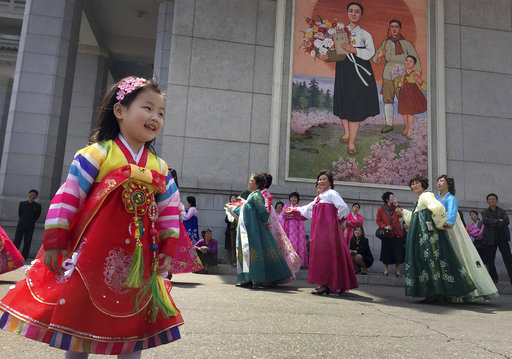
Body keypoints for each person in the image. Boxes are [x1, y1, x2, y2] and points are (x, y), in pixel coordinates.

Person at [0, 77, 183, 357]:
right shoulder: (97, 154)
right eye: (147, 108)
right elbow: (69, 196)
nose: (155, 118)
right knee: (78, 314)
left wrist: (168, 250)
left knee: (135, 318)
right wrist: (56, 239)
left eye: (160, 113)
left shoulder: (160, 167)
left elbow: (169, 210)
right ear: (120, 111)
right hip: (92, 256)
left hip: (139, 257)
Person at [399, 174, 476, 303]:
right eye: (412, 184)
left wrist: (443, 224)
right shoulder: (426, 198)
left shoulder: (427, 196)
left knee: (432, 261)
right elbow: (418, 217)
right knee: (436, 261)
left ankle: (435, 292)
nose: (414, 185)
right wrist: (403, 213)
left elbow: (440, 209)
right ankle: (437, 292)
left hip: (435, 233)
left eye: (417, 183)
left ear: (423, 184)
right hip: (430, 233)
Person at [317, 2, 379, 155]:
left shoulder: (365, 34)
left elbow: (371, 52)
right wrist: (326, 58)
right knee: (343, 103)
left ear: (361, 15)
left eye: (357, 11)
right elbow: (339, 54)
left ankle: (352, 142)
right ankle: (346, 132)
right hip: (344, 72)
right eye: (351, 11)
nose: (353, 14)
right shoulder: (340, 32)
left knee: (354, 108)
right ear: (347, 13)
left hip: (359, 73)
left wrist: (354, 50)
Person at [284, 170, 358, 295]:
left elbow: (344, 208)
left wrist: (336, 221)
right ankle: (326, 284)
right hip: (319, 234)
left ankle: (328, 285)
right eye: (319, 179)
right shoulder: (319, 198)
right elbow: (307, 209)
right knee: (323, 258)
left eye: (324, 179)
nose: (321, 182)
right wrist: (293, 210)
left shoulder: (331, 193)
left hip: (329, 233)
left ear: (330, 182)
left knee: (329, 257)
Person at [436, 175, 498, 302]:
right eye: (438, 180)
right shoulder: (436, 199)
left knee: (457, 256)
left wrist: (448, 223)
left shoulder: (451, 198)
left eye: (442, 181)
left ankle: (463, 290)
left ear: (449, 184)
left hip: (450, 230)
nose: (439, 183)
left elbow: (452, 213)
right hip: (438, 230)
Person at [225, 173, 292, 287]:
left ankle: (252, 278)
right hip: (249, 230)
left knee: (252, 253)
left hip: (253, 231)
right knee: (250, 253)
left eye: (251, 180)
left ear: (257, 184)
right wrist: (232, 208)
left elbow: (262, 211)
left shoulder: (256, 196)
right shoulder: (252, 196)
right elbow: (247, 211)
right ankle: (250, 278)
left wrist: (265, 221)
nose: (249, 182)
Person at [372, 19, 421, 134]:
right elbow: (375, 59)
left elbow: (415, 58)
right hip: (388, 74)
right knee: (388, 99)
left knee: (405, 100)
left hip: (402, 74)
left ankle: (408, 127)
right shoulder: (386, 43)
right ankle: (389, 124)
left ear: (399, 29)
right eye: (391, 27)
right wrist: (380, 55)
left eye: (396, 27)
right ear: (389, 29)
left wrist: (417, 71)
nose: (394, 29)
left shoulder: (406, 44)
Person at [261, 173, 301, 280]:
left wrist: (265, 222)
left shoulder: (265, 195)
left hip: (271, 225)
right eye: (291, 198)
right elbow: (285, 215)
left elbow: (267, 210)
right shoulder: (262, 194)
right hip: (285, 226)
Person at [167, 168, 203, 276]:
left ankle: (168, 269)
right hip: (169, 219)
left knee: (174, 245)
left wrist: (181, 210)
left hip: (171, 220)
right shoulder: (170, 188)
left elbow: (185, 216)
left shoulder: (173, 189)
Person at [481, 193, 512, 284]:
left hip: (502, 238)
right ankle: (494, 279)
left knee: (508, 259)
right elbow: (486, 221)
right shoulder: (484, 212)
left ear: (497, 201)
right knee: (490, 260)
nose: (492, 200)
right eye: (490, 199)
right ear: (487, 201)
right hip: (490, 239)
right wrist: (498, 220)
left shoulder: (502, 211)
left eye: (494, 199)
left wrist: (493, 222)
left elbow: (506, 221)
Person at [395, 55, 427, 139]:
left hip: (412, 96)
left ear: (414, 64)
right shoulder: (401, 73)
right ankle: (407, 128)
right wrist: (398, 84)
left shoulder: (415, 74)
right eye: (407, 60)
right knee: (404, 113)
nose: (408, 63)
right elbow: (397, 81)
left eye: (411, 61)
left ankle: (410, 131)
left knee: (410, 113)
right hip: (403, 95)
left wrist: (419, 80)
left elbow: (423, 85)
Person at [376, 192, 405, 277]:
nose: (394, 198)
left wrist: (398, 205)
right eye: (392, 197)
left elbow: (401, 214)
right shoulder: (381, 209)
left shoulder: (396, 207)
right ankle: (386, 270)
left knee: (398, 252)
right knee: (386, 252)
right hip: (387, 234)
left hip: (397, 233)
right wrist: (384, 226)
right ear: (387, 199)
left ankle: (397, 271)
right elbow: (378, 220)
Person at [281, 192, 308, 267]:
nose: (293, 199)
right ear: (290, 199)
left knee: (298, 243)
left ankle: (298, 262)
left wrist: (292, 214)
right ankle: (288, 261)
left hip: (298, 228)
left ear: (297, 199)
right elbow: (284, 215)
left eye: (295, 198)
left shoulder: (299, 207)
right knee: (289, 243)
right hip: (288, 228)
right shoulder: (286, 206)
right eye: (292, 197)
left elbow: (301, 215)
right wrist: (295, 215)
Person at [13, 189, 41, 259]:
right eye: (31, 194)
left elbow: (37, 216)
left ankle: (24, 256)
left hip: (30, 225)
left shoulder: (38, 206)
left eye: (34, 195)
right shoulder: (22, 203)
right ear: (28, 195)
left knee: (27, 241)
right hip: (21, 224)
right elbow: (20, 214)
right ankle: (14, 255)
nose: (32, 196)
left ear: (36, 197)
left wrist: (31, 221)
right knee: (17, 240)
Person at [224, 194, 238, 265]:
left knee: (236, 245)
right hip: (229, 230)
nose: (233, 199)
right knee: (229, 246)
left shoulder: (239, 208)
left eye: (234, 198)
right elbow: (226, 220)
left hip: (236, 229)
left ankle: (235, 261)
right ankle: (229, 261)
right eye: (231, 198)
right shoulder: (228, 208)